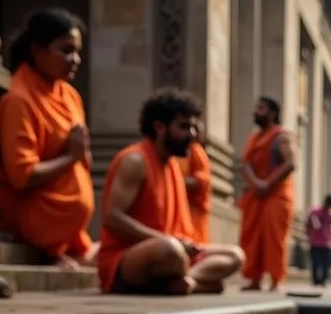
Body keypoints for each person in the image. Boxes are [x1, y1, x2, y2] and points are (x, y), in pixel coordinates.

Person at [97, 87, 243, 295]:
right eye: (184, 127)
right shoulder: (135, 161)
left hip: (173, 251)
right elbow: (112, 218)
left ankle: (188, 282)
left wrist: (182, 245)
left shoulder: (172, 164)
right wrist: (166, 240)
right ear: (159, 127)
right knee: (169, 250)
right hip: (127, 258)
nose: (192, 135)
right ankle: (197, 281)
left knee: (235, 255)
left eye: (193, 127)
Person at [0, 8, 96, 271]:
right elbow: (21, 176)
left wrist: (78, 155)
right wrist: (70, 156)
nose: (76, 59)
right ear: (37, 50)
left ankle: (61, 246)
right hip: (29, 221)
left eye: (78, 51)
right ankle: (51, 249)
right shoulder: (18, 99)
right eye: (66, 50)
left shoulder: (70, 96)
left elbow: (82, 158)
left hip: (68, 231)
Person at [238, 96, 295, 291]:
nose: (255, 111)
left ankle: (276, 280)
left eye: (260, 108)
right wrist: (256, 184)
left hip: (276, 196)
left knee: (274, 238)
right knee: (253, 238)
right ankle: (254, 279)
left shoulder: (282, 136)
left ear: (272, 113)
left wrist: (267, 184)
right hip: (257, 195)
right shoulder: (254, 138)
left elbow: (290, 163)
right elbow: (245, 164)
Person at [177, 117, 211, 245]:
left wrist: (174, 181)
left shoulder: (196, 151)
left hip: (192, 210)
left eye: (194, 129)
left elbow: (201, 181)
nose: (192, 133)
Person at [307, 194, 331, 286]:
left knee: (326, 263)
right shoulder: (314, 211)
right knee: (315, 262)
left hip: (326, 242)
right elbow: (309, 224)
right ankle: (316, 280)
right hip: (315, 241)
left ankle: (324, 280)